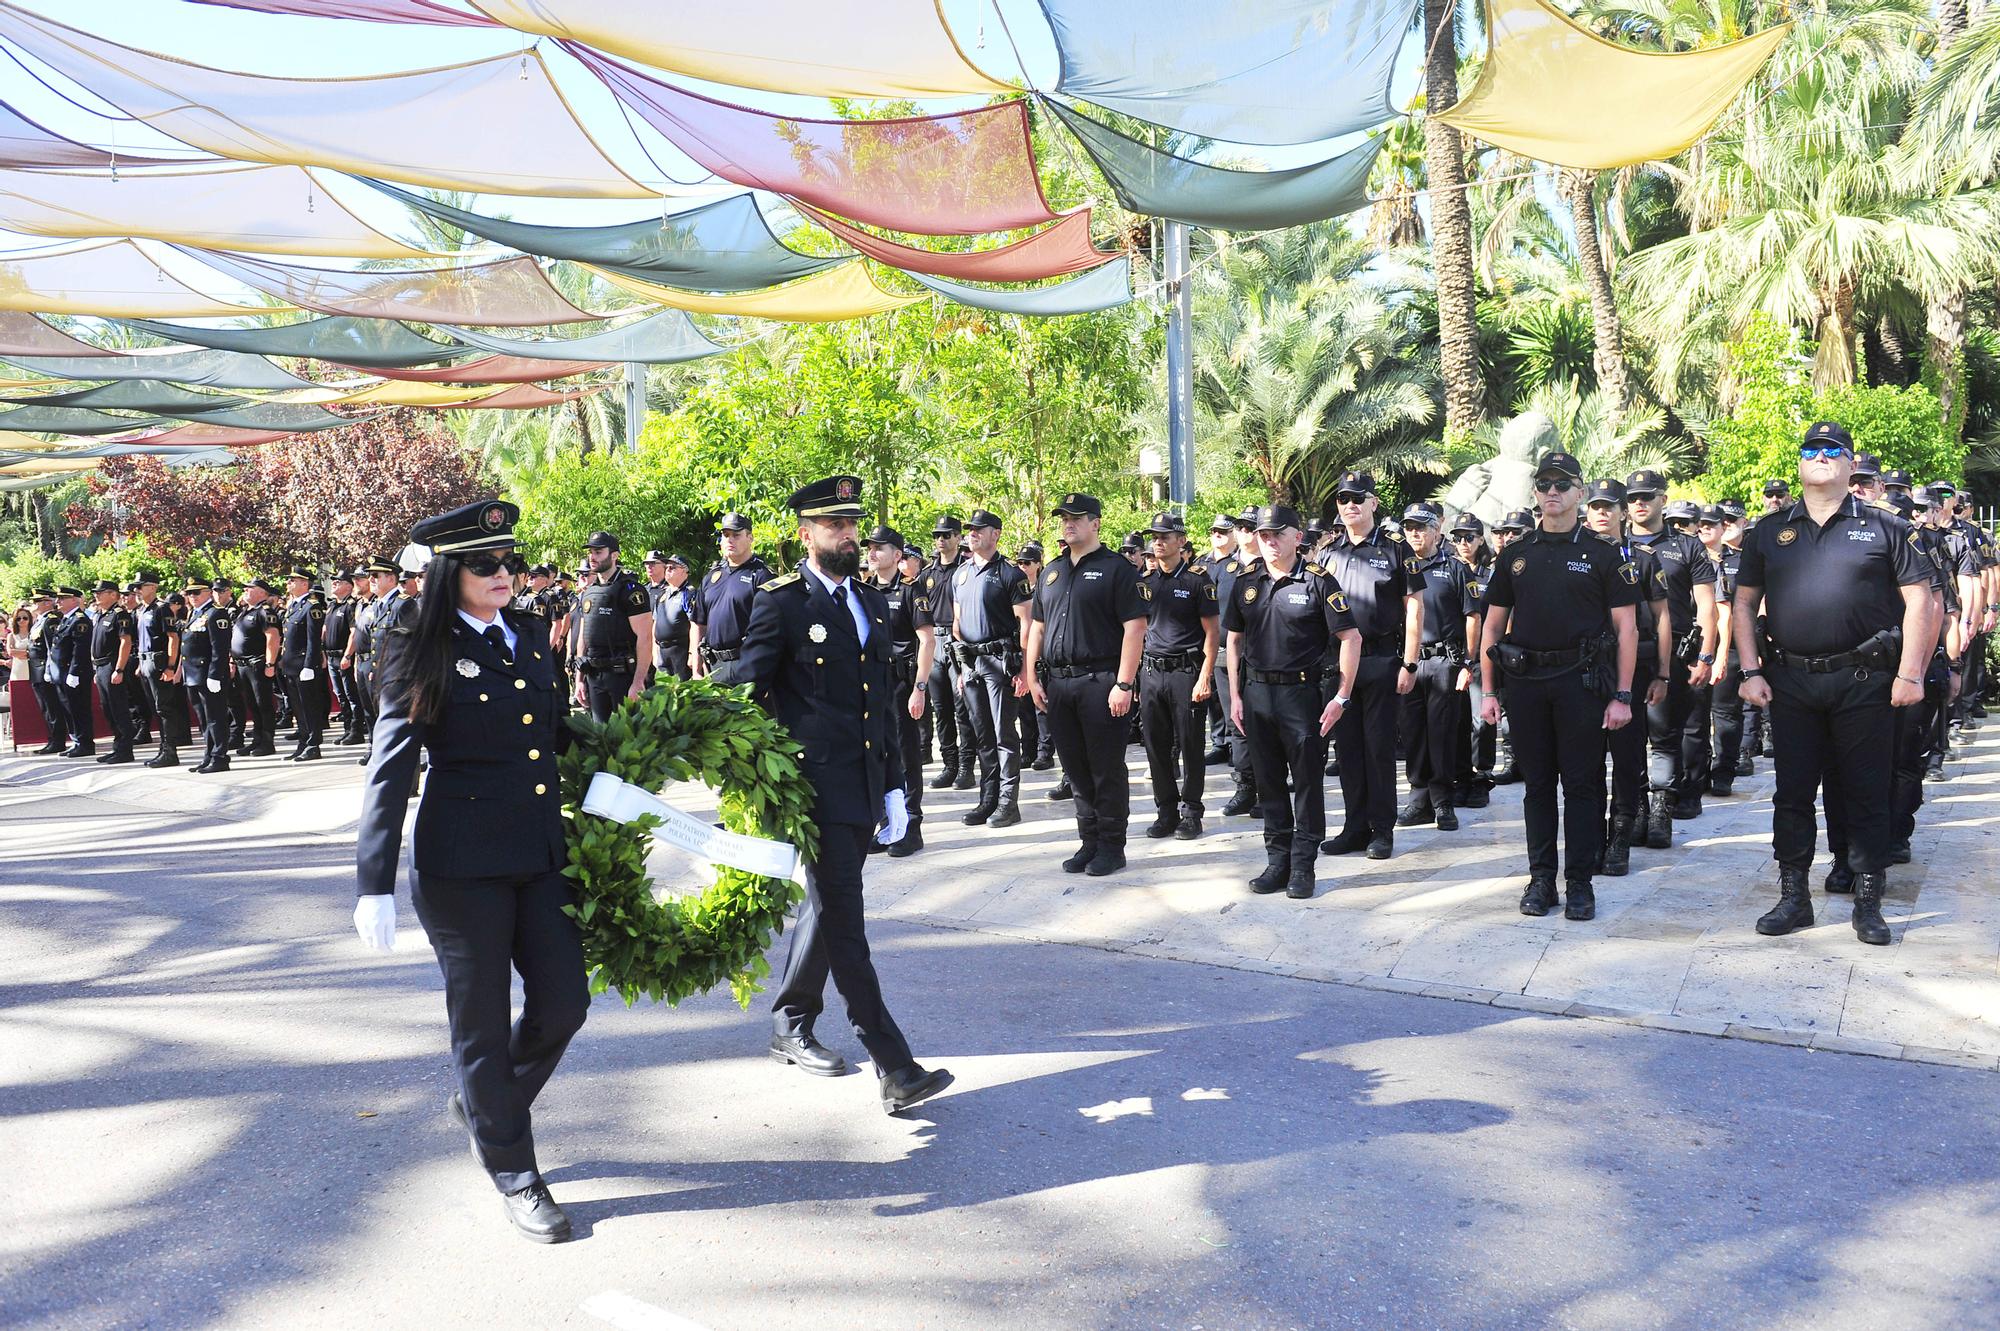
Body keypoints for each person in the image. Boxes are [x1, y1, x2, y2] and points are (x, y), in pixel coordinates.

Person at [354, 499, 587, 1243]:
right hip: (461, 866)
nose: (504, 574)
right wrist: (372, 880)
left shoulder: (526, 635)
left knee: (566, 1002)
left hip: (538, 853)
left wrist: (643, 756)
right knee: (481, 1023)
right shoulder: (416, 643)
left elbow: (556, 736)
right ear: (450, 572)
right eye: (485, 564)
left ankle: (488, 1107)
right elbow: (390, 767)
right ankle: (516, 1171)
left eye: (509, 560)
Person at [749, 475, 954, 1115]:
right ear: (805, 534)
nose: (847, 533)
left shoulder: (867, 600)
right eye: (833, 524)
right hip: (815, 794)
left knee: (827, 907)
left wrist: (895, 786)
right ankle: (893, 1063)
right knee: (846, 923)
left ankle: (789, 1020)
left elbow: (880, 706)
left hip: (863, 787)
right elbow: (741, 687)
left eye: (852, 523)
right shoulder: (780, 603)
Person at [1733, 423, 1932, 946]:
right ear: (1800, 464)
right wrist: (1750, 670)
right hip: (1790, 680)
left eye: (1832, 451)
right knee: (1792, 794)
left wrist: (1911, 673)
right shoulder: (1767, 532)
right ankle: (1794, 897)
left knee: (1866, 793)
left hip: (1864, 679)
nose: (1820, 457)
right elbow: (1744, 603)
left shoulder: (1886, 528)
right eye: (1810, 450)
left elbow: (1921, 602)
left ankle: (1868, 901)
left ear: (1849, 465)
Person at [1476, 451, 1639, 921]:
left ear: (1580, 494)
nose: (1553, 492)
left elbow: (1627, 630)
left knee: (1584, 785)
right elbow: (1492, 628)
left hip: (1581, 684)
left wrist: (1623, 694)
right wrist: (1490, 692)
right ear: (1535, 494)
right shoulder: (1516, 555)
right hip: (1526, 684)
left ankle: (1581, 883)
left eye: (1563, 484)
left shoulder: (1604, 556)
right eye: (1545, 484)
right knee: (1537, 787)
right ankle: (1541, 879)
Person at [1223, 505, 1361, 899]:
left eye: (1277, 534)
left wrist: (1341, 697)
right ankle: (1276, 861)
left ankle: (1303, 866)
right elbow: (1233, 639)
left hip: (1303, 697)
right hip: (1256, 695)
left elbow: (1351, 638)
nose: (1268, 541)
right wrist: (1235, 695)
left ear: (1297, 537)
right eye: (1263, 534)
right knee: (1268, 783)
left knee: (1305, 783)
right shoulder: (1246, 581)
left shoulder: (1318, 581)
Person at [1022, 492, 1148, 876]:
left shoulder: (1117, 569)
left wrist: (1124, 684)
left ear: (1096, 523)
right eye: (1064, 518)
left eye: (1077, 517)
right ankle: (1088, 841)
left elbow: (1135, 628)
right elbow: (1038, 628)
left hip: (1101, 681)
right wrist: (1032, 675)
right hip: (1058, 683)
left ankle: (1112, 845)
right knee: (1075, 768)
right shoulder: (1052, 572)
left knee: (1105, 767)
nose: (1068, 523)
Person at [1319, 471, 1422, 860]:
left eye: (1358, 498)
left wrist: (1410, 663)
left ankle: (1382, 830)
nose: (1350, 506)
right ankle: (1354, 826)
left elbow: (1414, 606)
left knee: (1378, 748)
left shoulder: (1396, 548)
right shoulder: (1328, 552)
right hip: (1340, 665)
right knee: (1347, 750)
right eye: (1344, 499)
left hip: (1381, 658)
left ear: (1374, 503)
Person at [1624, 469, 1719, 840]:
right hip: (1625, 650)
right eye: (1632, 498)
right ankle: (1635, 810)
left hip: (1675, 648)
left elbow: (1707, 606)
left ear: (1663, 499)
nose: (1639, 503)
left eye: (1647, 495)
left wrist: (1706, 655)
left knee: (1667, 733)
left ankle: (1664, 806)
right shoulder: (1613, 544)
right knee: (1629, 737)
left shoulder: (1687, 545)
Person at [1582, 479, 1669, 877]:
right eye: (1595, 506)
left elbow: (1662, 618)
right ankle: (1595, 835)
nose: (1602, 513)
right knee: (1587, 759)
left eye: (1609, 506)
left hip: (1632, 670)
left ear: (1621, 512)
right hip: (1585, 671)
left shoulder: (1645, 559)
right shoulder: (1575, 556)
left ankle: (1620, 837)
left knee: (1628, 758)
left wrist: (1664, 673)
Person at [1137, 512, 1219, 840]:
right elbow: (1138, 631)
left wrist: (1205, 676)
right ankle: (1166, 811)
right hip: (1152, 672)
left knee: (1190, 744)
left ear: (1180, 541)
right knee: (1156, 745)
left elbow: (1212, 634)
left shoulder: (1198, 580)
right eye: (1154, 537)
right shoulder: (1145, 582)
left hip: (1186, 672)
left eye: (1165, 536)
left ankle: (1192, 812)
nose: (1158, 542)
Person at [950, 509, 1034, 829]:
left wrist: (1025, 670)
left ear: (996, 534)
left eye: (979, 529)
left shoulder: (1010, 575)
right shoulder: (961, 574)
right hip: (971, 663)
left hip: (1000, 663)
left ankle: (1007, 802)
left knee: (1003, 734)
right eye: (970, 529)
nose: (972, 533)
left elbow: (1025, 624)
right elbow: (957, 623)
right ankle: (988, 799)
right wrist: (961, 668)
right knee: (982, 734)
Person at [1398, 504, 1478, 832]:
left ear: (1436, 531)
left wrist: (1468, 663)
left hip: (1445, 661)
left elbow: (1473, 617)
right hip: (1409, 662)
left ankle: (1443, 798)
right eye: (1410, 527)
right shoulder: (1399, 567)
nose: (1415, 533)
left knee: (1442, 731)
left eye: (1422, 527)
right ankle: (1419, 796)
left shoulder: (1456, 568)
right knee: (1413, 730)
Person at [865, 523, 933, 857]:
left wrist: (919, 687)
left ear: (897, 554)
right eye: (870, 547)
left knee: (906, 756)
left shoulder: (910, 590)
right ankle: (885, 825)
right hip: (872, 684)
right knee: (876, 754)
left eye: (880, 547)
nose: (872, 553)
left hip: (902, 682)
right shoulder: (862, 589)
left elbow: (927, 640)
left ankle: (911, 826)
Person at [571, 531, 652, 721]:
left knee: (627, 741)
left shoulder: (631, 590)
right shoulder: (589, 592)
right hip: (594, 675)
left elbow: (645, 637)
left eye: (598, 552)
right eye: (590, 552)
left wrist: (639, 681)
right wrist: (579, 680)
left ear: (614, 555)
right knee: (601, 739)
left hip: (622, 676)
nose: (592, 557)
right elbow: (584, 636)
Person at [918, 515, 974, 790]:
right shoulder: (927, 574)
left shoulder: (966, 570)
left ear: (958, 537)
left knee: (962, 708)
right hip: (934, 642)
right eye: (937, 535)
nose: (941, 540)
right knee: (941, 709)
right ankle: (950, 764)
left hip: (958, 643)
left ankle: (966, 766)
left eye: (947, 534)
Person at [688, 514, 771, 687]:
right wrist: (696, 670)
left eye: (736, 535)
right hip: (714, 667)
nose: (729, 540)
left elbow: (771, 631)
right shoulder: (711, 577)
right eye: (726, 535)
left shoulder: (762, 576)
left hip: (748, 665)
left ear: (750, 538)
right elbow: (698, 624)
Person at [131, 571, 191, 769]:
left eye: (141, 586)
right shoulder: (142, 610)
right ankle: (163, 747)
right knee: (155, 707)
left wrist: (170, 666)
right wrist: (140, 664)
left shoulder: (161, 609)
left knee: (164, 708)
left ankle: (170, 751)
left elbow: (173, 638)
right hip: (146, 660)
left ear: (153, 587)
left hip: (159, 662)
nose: (137, 591)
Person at [179, 578, 234, 773]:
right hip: (194, 675)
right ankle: (209, 755)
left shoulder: (216, 614)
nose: (192, 597)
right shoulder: (195, 614)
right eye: (189, 593)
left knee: (215, 718)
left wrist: (215, 675)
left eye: (196, 592)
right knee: (204, 719)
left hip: (208, 675)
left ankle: (220, 757)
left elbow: (219, 649)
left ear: (208, 592)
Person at [279, 568, 331, 762]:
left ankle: (313, 744)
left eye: (293, 580)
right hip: (291, 665)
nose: (289, 583)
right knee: (298, 708)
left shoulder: (312, 606)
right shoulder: (293, 606)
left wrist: (310, 665)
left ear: (304, 583)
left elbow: (313, 640)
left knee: (309, 707)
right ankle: (303, 742)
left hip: (304, 666)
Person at [88, 579, 138, 765]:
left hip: (112, 665)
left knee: (118, 708)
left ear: (113, 594)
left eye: (101, 592)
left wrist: (119, 669)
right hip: (101, 667)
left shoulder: (120, 615)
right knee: (108, 709)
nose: (96, 595)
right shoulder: (101, 615)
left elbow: (125, 642)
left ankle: (125, 749)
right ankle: (118, 746)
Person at [1013, 542, 1054, 771]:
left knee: (1042, 706)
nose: (1023, 567)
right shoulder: (1016, 587)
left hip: (1042, 652)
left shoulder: (1046, 585)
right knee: (1024, 707)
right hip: (1021, 651)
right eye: (1019, 562)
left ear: (1038, 564)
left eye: (1027, 563)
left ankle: (1044, 751)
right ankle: (1027, 750)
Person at [230, 579, 282, 756]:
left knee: (263, 704)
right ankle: (257, 740)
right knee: (252, 704)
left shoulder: (265, 611)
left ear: (262, 592)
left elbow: (273, 638)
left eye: (250, 588)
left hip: (257, 664)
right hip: (242, 665)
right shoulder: (245, 611)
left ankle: (267, 742)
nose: (245, 590)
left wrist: (270, 663)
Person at [24, 591, 69, 754]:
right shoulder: (39, 621)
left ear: (47, 603)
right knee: (45, 707)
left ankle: (57, 740)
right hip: (35, 668)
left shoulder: (51, 620)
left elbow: (52, 648)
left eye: (38, 601)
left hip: (44, 667)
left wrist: (50, 669)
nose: (34, 604)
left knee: (52, 707)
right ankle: (52, 738)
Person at [325, 571, 364, 746]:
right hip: (331, 656)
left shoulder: (351, 605)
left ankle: (356, 730)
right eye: (333, 581)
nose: (334, 584)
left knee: (351, 695)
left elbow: (354, 632)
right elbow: (325, 630)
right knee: (340, 695)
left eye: (338, 582)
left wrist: (348, 655)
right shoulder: (333, 605)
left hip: (344, 656)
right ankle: (347, 728)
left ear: (349, 586)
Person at [647, 552, 693, 682]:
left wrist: (692, 654)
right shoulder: (662, 594)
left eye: (672, 567)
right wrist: (654, 653)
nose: (668, 570)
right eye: (667, 567)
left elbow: (695, 626)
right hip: (662, 652)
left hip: (680, 651)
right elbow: (655, 624)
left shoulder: (688, 594)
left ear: (684, 571)